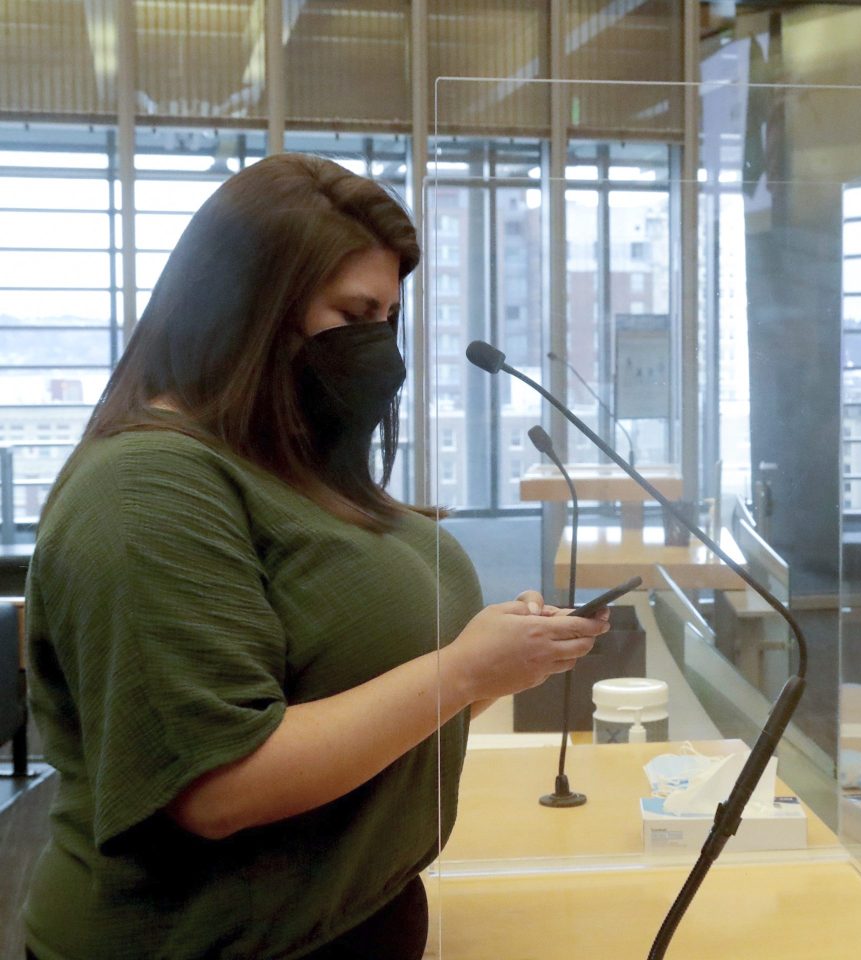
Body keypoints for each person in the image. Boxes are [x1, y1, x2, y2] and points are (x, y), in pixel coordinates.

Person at [22, 153, 608, 960]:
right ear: (251, 308)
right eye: (353, 312)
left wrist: (498, 661)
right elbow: (220, 787)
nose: (378, 348)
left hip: (352, 920)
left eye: (389, 318)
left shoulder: (286, 465)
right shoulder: (144, 488)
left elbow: (358, 699)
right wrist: (464, 670)